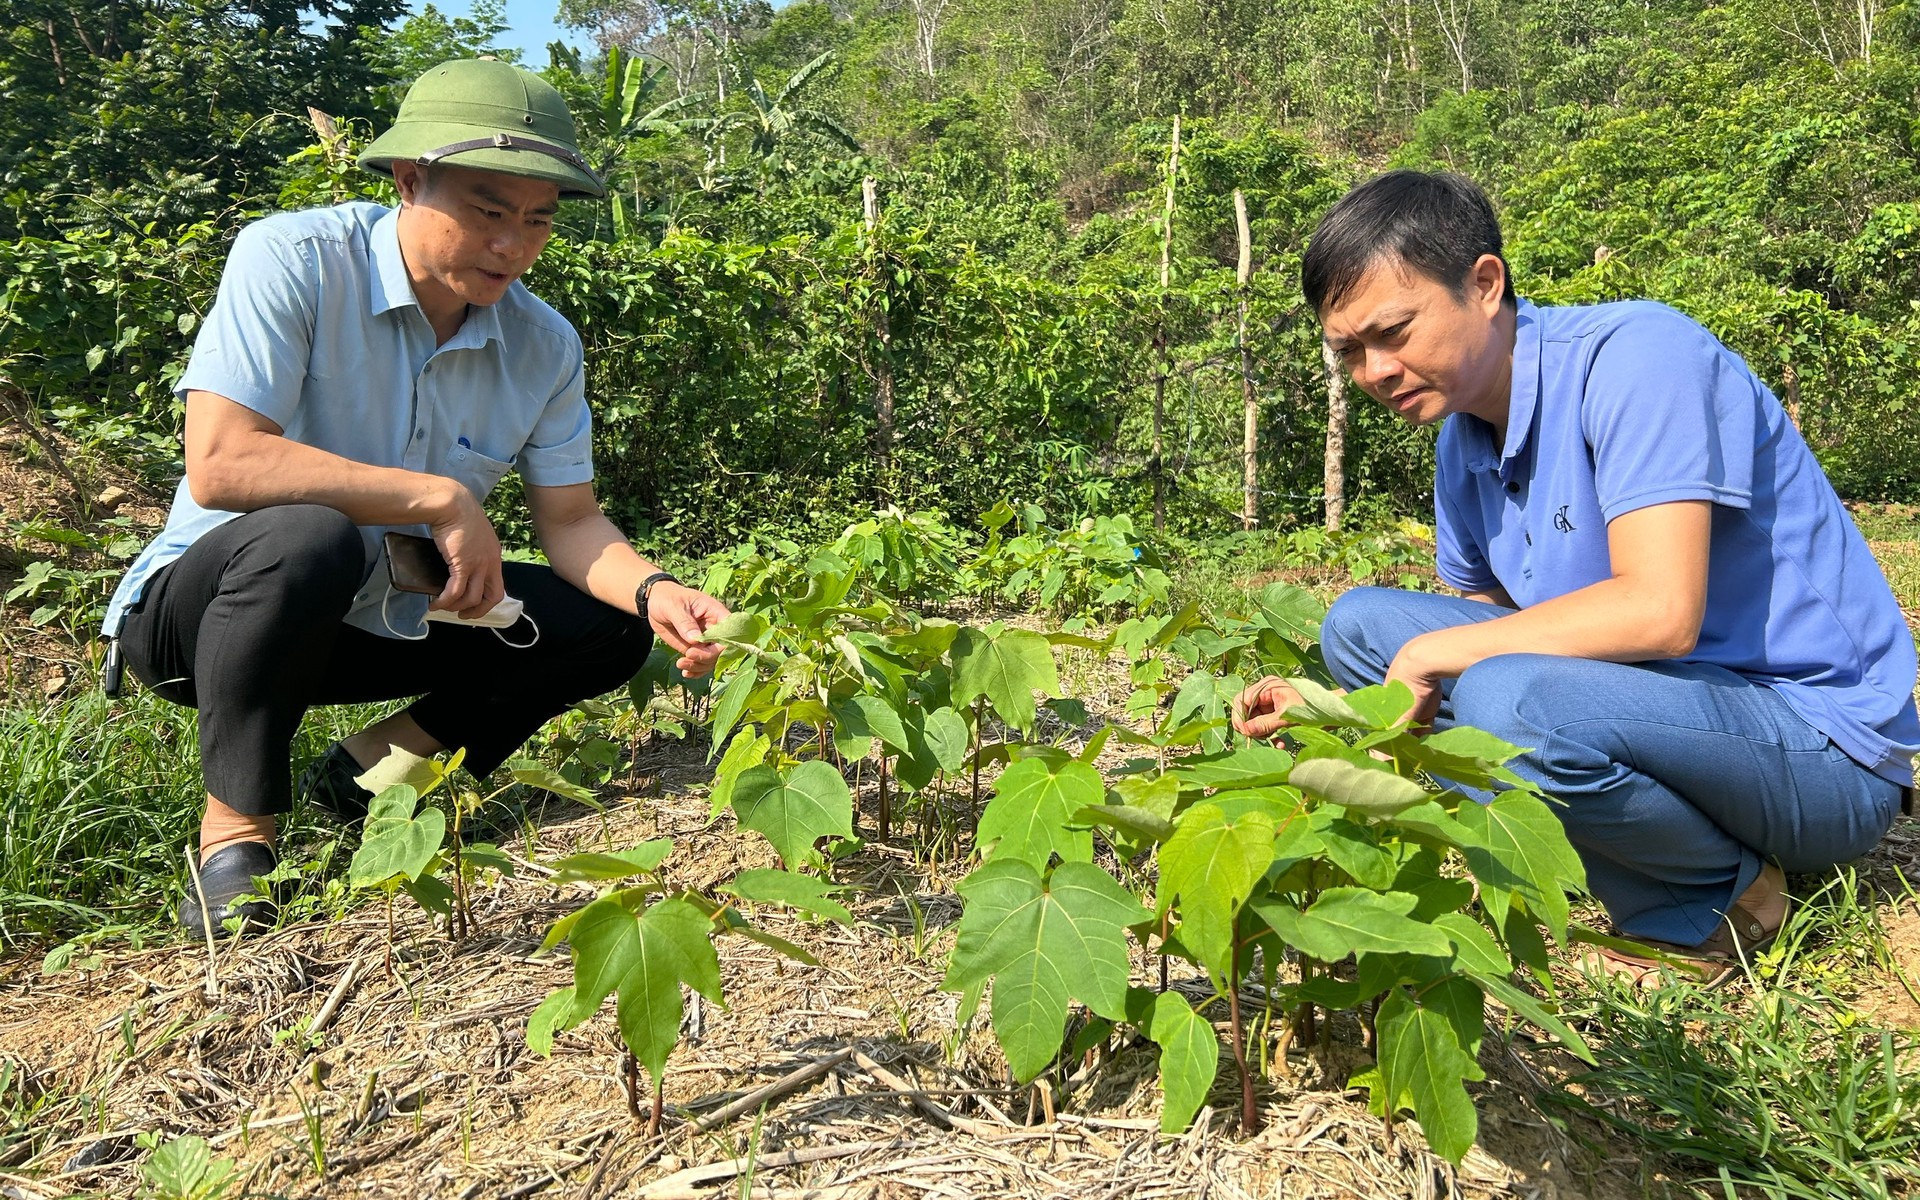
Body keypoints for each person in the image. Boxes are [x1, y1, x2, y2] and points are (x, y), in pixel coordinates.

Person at [1232, 170, 1917, 985]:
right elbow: (1486, 629)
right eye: (1350, 351)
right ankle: (1646, 841)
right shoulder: (1463, 440)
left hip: (1819, 751)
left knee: (1501, 697)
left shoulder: (1637, 359)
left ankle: (1720, 894)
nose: (1374, 370)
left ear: (1484, 285)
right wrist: (1348, 710)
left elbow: (1663, 614)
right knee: (1359, 627)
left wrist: (1430, 664)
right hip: (1660, 706)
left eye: (1393, 332)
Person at [101, 59, 732, 939]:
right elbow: (222, 463)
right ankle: (235, 845)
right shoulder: (297, 259)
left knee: (605, 630)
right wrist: (437, 497)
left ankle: (364, 780)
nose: (512, 244)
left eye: (537, 220)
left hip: (380, 612)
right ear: (407, 180)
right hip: (209, 618)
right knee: (307, 537)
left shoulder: (543, 345)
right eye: (486, 210)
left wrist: (657, 590)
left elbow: (573, 520)